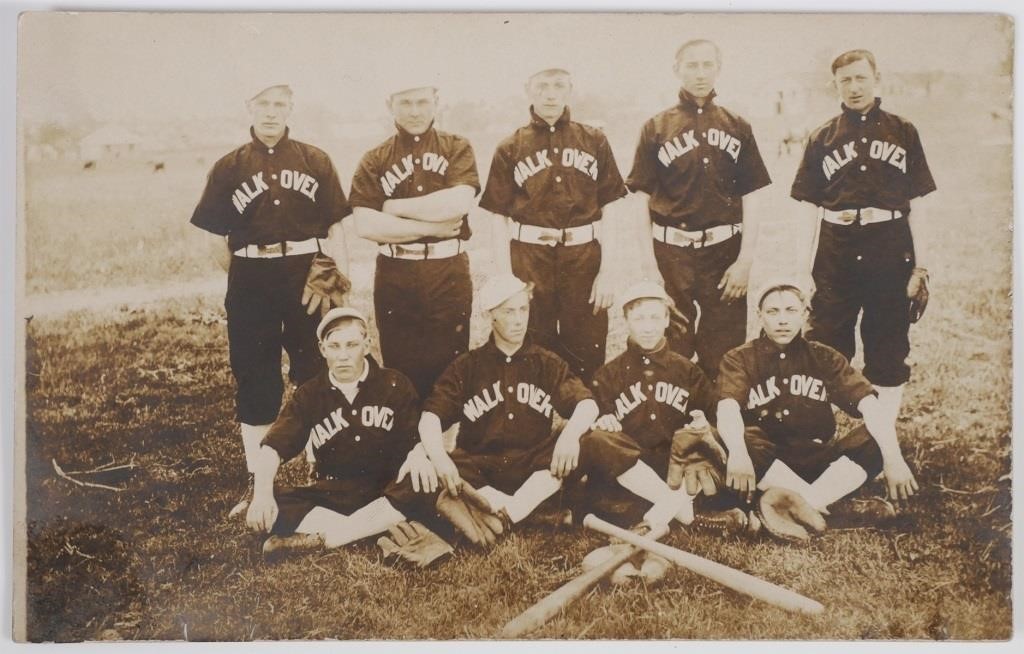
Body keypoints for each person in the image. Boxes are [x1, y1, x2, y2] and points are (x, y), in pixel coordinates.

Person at [280, 274, 601, 561]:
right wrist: (437, 457)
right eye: (508, 312)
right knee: (431, 471)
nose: (518, 320)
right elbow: (431, 417)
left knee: (587, 440)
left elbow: (586, 404)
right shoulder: (469, 366)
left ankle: (509, 515)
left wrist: (570, 436)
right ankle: (519, 514)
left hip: (533, 464)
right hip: (479, 470)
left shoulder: (547, 363)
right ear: (490, 317)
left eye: (523, 310)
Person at [190, 83, 352, 517]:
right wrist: (248, 275)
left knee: (316, 369)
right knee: (256, 375)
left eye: (279, 104)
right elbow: (214, 239)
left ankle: (326, 468)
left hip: (306, 276)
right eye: (263, 103)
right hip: (250, 276)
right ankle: (257, 479)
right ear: (249, 107)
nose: (271, 112)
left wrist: (331, 274)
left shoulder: (315, 159)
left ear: (290, 109)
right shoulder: (229, 167)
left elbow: (335, 224)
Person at [790, 49, 936, 430]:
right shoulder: (822, 136)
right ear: (834, 85)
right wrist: (801, 270)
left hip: (889, 245)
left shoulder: (902, 131)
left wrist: (921, 266)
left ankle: (880, 438)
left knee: (887, 342)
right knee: (825, 339)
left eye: (860, 78)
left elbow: (918, 202)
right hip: (836, 247)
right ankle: (817, 435)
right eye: (845, 80)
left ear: (876, 78)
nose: (854, 87)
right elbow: (807, 208)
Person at [715, 281, 919, 532]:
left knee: (875, 438)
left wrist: (893, 459)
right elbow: (727, 408)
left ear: (804, 314)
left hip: (818, 459)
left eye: (791, 311)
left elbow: (870, 405)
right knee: (737, 438)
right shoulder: (740, 358)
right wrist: (737, 452)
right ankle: (826, 509)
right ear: (760, 316)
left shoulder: (823, 356)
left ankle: (798, 506)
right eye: (773, 312)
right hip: (768, 462)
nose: (782, 320)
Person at [626, 39, 771, 381]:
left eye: (708, 65)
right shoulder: (656, 127)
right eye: (691, 65)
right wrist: (650, 264)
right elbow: (639, 199)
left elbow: (752, 195)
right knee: (672, 344)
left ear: (718, 69)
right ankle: (672, 423)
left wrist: (745, 262)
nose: (700, 73)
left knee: (724, 347)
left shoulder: (737, 125)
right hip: (672, 250)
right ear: (677, 70)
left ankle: (718, 422)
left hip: (724, 251)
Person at [479, 66, 627, 382]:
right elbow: (497, 216)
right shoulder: (510, 146)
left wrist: (608, 272)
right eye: (542, 86)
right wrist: (506, 280)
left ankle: (585, 415)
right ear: (528, 90)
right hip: (529, 255)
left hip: (584, 254)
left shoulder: (594, 140)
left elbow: (612, 207)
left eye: (559, 85)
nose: (550, 93)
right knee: (532, 338)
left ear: (570, 90)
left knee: (587, 342)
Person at [243, 308, 422, 558]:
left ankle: (326, 540)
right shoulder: (310, 394)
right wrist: (261, 495)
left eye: (352, 345)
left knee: (422, 483)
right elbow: (273, 446)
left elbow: (417, 438)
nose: (343, 356)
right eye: (335, 346)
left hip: (387, 488)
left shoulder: (394, 384)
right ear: (322, 349)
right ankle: (372, 530)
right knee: (274, 501)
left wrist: (419, 454)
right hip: (335, 492)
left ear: (367, 345)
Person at [349, 76, 481, 399]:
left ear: (437, 101)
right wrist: (430, 228)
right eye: (405, 102)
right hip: (397, 273)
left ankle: (445, 446)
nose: (414, 111)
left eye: (422, 101)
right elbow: (366, 223)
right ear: (389, 105)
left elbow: (458, 204)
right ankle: (409, 447)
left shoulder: (456, 146)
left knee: (451, 365)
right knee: (400, 368)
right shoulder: (375, 158)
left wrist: (392, 207)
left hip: (448, 269)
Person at [581, 281, 719, 532]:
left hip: (675, 469)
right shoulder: (608, 375)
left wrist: (701, 427)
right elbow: (597, 428)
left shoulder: (687, 371)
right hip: (632, 474)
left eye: (655, 318)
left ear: (667, 320)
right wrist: (603, 420)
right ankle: (682, 514)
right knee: (598, 440)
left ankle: (658, 516)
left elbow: (713, 420)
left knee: (713, 442)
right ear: (626, 320)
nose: (647, 327)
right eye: (639, 319)